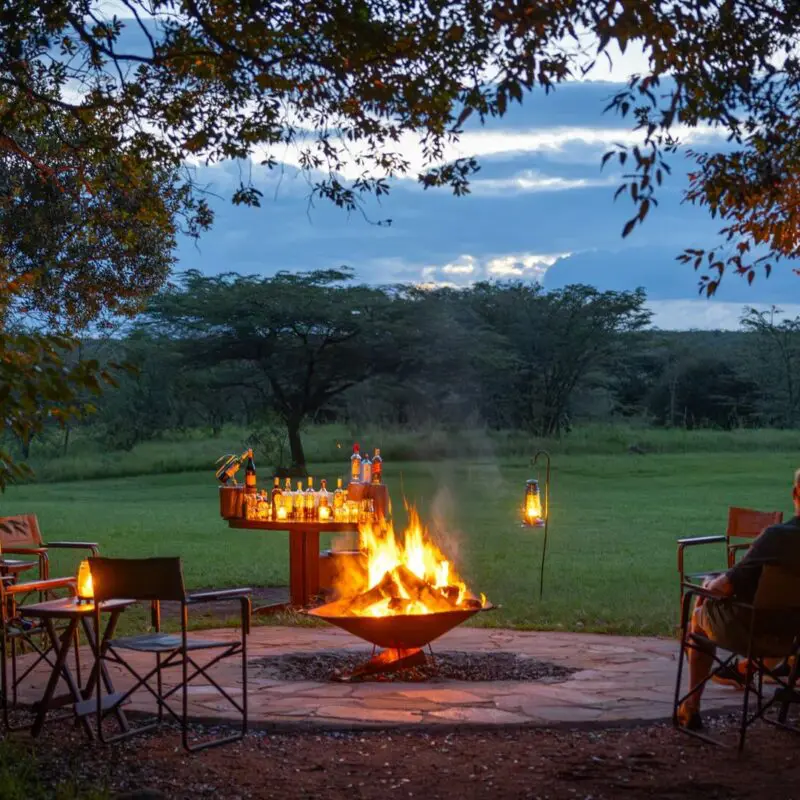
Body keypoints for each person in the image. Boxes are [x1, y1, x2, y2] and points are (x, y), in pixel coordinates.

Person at [677, 468, 800, 730]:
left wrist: (707, 583)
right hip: (792, 642)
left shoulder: (777, 537)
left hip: (752, 631)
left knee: (699, 612)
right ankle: (742, 671)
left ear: (795, 493)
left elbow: (723, 587)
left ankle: (691, 708)